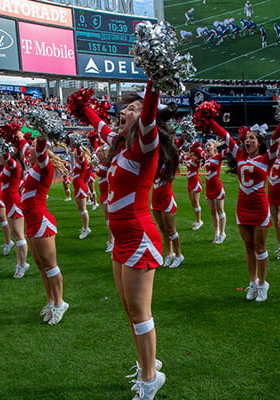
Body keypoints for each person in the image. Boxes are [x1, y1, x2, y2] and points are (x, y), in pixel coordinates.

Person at [78, 80, 171, 399]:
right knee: (130, 311)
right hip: (121, 239)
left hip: (139, 236)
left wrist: (154, 80)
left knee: (140, 312)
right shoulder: (120, 146)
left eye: (130, 109)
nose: (123, 112)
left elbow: (147, 117)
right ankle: (149, 364)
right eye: (124, 108)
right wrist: (84, 106)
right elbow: (98, 123)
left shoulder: (147, 144)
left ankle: (149, 380)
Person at [209, 119, 280, 302]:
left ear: (259, 143)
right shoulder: (240, 156)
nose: (247, 141)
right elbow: (224, 135)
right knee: (248, 247)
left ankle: (262, 284)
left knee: (260, 247)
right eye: (246, 138)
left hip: (259, 208)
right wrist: (208, 117)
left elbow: (276, 137)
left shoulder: (267, 158)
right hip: (242, 208)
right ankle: (252, 283)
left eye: (252, 138)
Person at [17, 131, 70, 325]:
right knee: (41, 266)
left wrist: (41, 132)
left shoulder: (44, 167)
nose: (29, 148)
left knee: (50, 265)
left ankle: (59, 303)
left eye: (32, 146)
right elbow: (25, 148)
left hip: (41, 221)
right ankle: (50, 301)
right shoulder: (31, 167)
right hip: (30, 221)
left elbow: (38, 149)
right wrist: (19, 136)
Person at [0, 132, 29, 279]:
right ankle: (19, 263)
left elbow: (7, 159)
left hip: (14, 202)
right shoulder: (8, 166)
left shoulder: (15, 165)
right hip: (9, 202)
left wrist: (1, 146)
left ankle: (23, 264)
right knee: (16, 236)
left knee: (19, 235)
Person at [152, 126, 183, 268]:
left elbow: (176, 147)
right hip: (155, 198)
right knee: (162, 228)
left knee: (171, 229)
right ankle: (169, 253)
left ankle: (179, 254)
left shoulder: (170, 160)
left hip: (166, 198)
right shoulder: (155, 160)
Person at [203, 139, 227, 244]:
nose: (207, 147)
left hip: (217, 186)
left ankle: (222, 233)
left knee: (220, 210)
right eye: (206, 146)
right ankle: (216, 233)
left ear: (214, 147)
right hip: (209, 187)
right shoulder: (206, 158)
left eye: (209, 145)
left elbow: (229, 150)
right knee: (213, 212)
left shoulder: (218, 157)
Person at [71, 145, 92, 239]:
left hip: (80, 187)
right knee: (80, 208)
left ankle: (86, 228)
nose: (75, 156)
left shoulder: (83, 163)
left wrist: (78, 146)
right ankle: (84, 226)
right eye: (74, 154)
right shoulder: (78, 163)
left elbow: (80, 155)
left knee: (83, 209)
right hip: (77, 187)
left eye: (76, 154)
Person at [185, 142, 204, 230]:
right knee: (192, 202)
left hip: (195, 182)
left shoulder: (197, 159)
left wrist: (196, 149)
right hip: (189, 182)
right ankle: (197, 220)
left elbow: (201, 153)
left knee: (195, 202)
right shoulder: (188, 157)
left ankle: (199, 220)